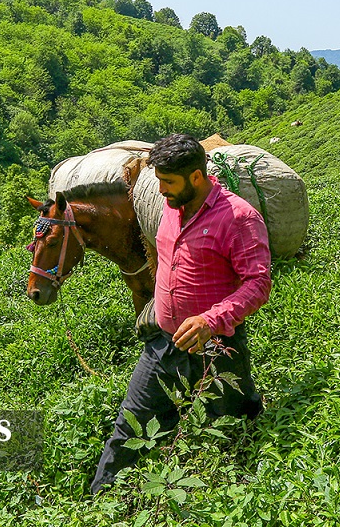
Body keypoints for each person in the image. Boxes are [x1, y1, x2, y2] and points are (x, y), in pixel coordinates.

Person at [90, 133, 271, 495]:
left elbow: (258, 283)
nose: (161, 190)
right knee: (130, 423)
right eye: (158, 181)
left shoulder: (238, 218)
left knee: (233, 423)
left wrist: (210, 319)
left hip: (217, 347)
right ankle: (100, 499)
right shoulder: (170, 209)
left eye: (168, 182)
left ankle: (231, 495)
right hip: (162, 341)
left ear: (196, 178)